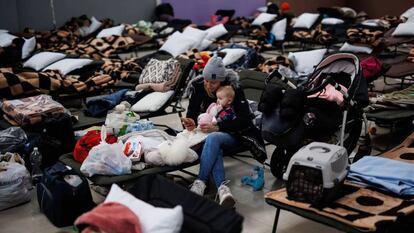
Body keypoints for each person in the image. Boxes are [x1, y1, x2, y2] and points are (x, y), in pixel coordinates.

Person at [181, 55, 267, 208]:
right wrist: (190, 123)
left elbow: (244, 120)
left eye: (213, 82)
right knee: (215, 146)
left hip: (233, 134)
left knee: (213, 138)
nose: (209, 85)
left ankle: (200, 182)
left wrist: (218, 127)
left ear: (222, 80)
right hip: (205, 135)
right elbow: (192, 113)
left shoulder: (233, 89)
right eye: (206, 80)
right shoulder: (199, 86)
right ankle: (223, 189)